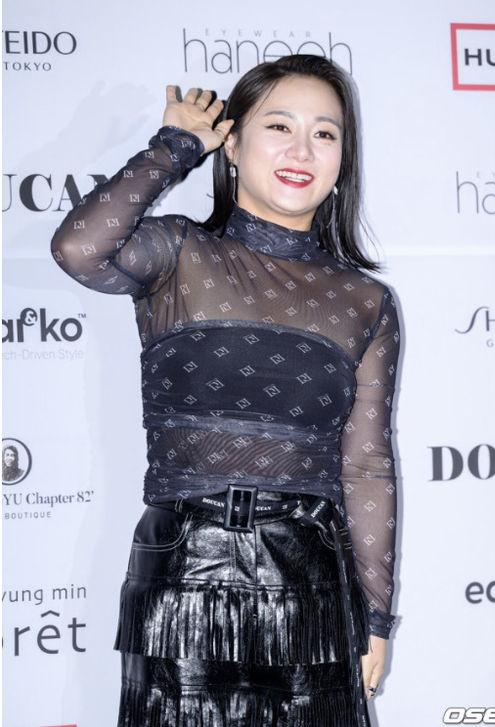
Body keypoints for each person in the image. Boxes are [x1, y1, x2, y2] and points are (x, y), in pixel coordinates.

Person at [51, 54, 400, 727]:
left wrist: (377, 616)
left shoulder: (365, 301)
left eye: (325, 134)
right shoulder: (177, 254)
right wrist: (175, 146)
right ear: (232, 146)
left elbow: (366, 465)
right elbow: (79, 249)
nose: (303, 150)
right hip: (183, 573)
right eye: (280, 126)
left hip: (312, 583)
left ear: (342, 160)